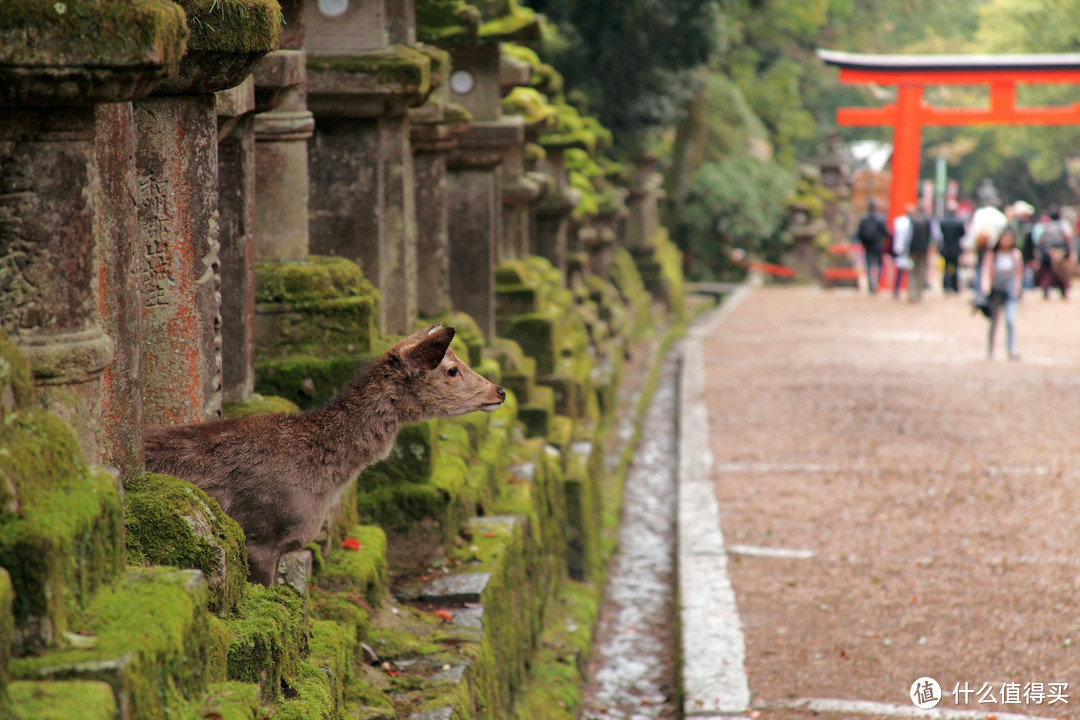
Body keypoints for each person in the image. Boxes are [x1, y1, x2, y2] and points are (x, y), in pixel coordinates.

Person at [979, 228, 1024, 360]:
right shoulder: (993, 255)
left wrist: (1017, 289)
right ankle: (990, 350)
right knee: (994, 322)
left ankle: (1011, 349)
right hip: (996, 291)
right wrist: (985, 289)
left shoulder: (1015, 255)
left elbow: (1018, 274)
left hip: (1010, 292)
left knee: (1010, 320)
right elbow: (986, 272)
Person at [1034, 205, 1071, 299]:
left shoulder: (1046, 226)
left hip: (1048, 251)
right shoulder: (1063, 225)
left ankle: (1046, 290)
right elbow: (1068, 238)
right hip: (1060, 251)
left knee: (1047, 273)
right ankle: (1063, 290)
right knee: (1062, 273)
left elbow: (1041, 241)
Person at [854, 201, 889, 293]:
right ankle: (877, 283)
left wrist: (863, 242)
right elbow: (886, 233)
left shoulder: (864, 219)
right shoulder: (880, 219)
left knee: (869, 265)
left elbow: (859, 233)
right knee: (879, 265)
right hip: (878, 246)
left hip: (868, 246)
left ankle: (870, 285)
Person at [906, 203, 933, 303]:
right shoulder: (928, 221)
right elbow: (931, 236)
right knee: (921, 272)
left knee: (913, 272)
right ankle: (919, 295)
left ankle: (912, 294)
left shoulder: (912, 221)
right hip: (923, 250)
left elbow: (908, 236)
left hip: (913, 250)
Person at [938, 200, 965, 293]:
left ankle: (946, 286)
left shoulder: (943, 220)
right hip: (955, 247)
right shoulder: (959, 221)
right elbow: (962, 233)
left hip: (946, 247)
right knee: (955, 267)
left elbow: (941, 232)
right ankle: (954, 286)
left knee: (946, 267)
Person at [891, 205, 913, 299]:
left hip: (898, 247)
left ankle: (897, 289)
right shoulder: (910, 223)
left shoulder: (898, 221)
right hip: (907, 248)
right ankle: (908, 290)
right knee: (909, 270)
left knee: (899, 270)